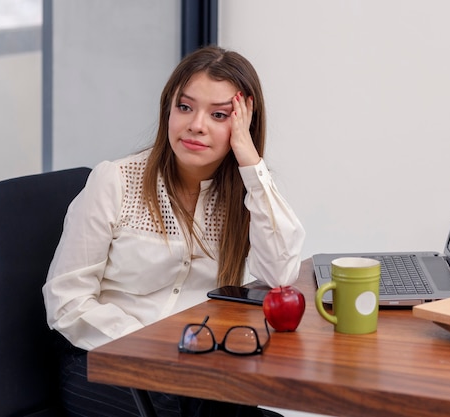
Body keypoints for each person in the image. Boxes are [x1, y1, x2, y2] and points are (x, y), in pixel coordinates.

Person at [43, 45, 306, 417]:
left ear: (243, 123)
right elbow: (66, 301)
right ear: (169, 108)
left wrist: (251, 162)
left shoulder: (245, 198)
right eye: (185, 107)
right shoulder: (115, 182)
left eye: (219, 114)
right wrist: (155, 347)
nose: (196, 124)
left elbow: (281, 272)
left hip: (197, 373)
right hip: (105, 361)